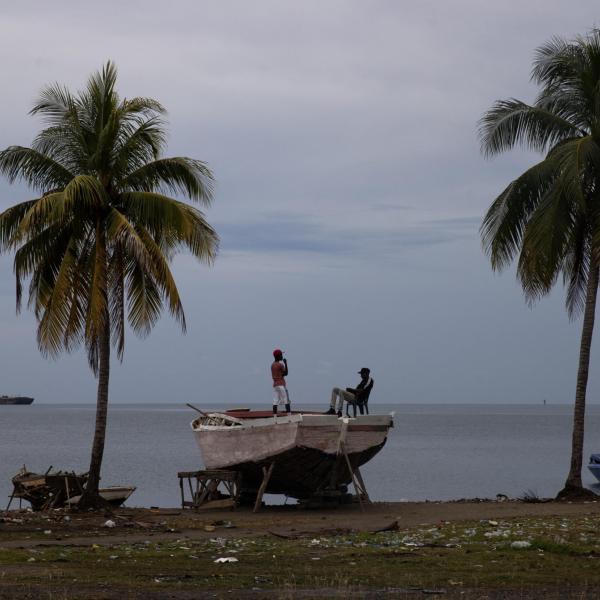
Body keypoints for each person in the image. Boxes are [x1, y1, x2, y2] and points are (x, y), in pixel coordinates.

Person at [271, 348, 290, 415]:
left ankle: (274, 417)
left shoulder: (272, 365)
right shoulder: (280, 365)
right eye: (281, 355)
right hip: (281, 384)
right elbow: (286, 373)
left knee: (275, 401)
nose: (282, 356)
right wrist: (285, 363)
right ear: (278, 356)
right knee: (286, 400)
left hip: (275, 385)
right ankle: (289, 416)